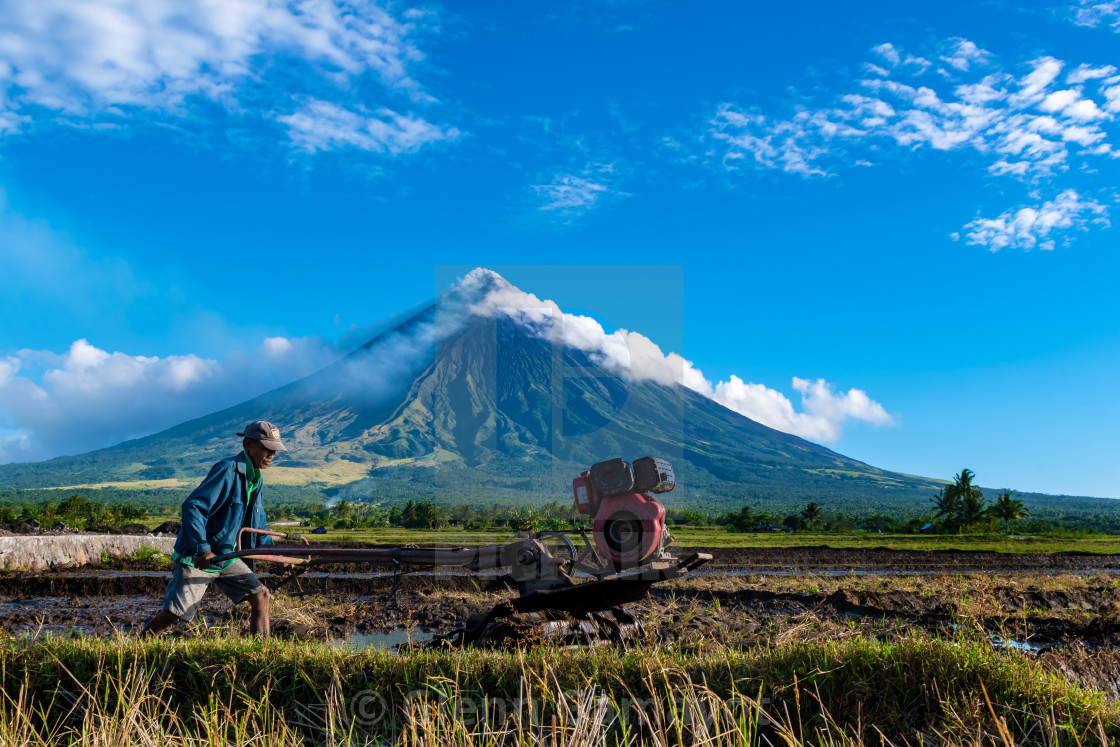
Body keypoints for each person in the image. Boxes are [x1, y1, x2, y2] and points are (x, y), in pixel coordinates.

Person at [141, 420, 287, 637]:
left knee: (261, 596)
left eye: (274, 450)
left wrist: (274, 556)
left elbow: (257, 523)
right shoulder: (227, 470)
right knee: (175, 611)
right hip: (201, 555)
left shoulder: (255, 479)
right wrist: (202, 548)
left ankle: (263, 652)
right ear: (248, 444)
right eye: (267, 448)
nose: (271, 455)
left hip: (227, 555)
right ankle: (142, 642)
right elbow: (193, 506)